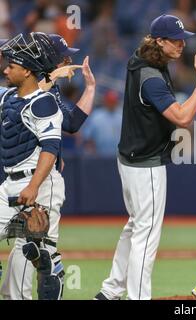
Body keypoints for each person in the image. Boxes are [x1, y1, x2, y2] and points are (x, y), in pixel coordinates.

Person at [95, 14, 196, 300]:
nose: (182, 44)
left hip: (130, 159)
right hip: (145, 165)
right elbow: (181, 117)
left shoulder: (143, 60)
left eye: (183, 39)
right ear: (159, 41)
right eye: (175, 40)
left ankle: (111, 290)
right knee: (146, 235)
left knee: (134, 226)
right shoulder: (151, 76)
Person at [0, 33, 96, 300]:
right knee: (30, 247)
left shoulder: (46, 96)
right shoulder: (19, 93)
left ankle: (40, 277)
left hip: (40, 180)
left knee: (35, 249)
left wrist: (89, 88)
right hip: (14, 179)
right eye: (63, 56)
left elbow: (61, 133)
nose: (68, 61)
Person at [0, 32, 65, 300]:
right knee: (28, 254)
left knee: (29, 256)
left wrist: (34, 186)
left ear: (27, 71)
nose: (5, 69)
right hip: (8, 185)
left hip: (39, 184)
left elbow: (50, 149)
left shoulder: (44, 103)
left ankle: (50, 271)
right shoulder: (6, 98)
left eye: (11, 66)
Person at [82, 90, 122, 156]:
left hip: (117, 156)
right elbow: (88, 136)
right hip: (99, 155)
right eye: (109, 101)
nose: (111, 104)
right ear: (105, 101)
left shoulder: (121, 116)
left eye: (113, 101)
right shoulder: (96, 116)